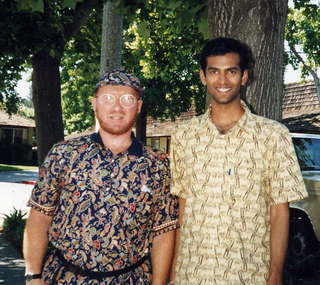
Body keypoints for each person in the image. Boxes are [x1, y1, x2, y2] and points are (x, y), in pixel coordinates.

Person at [170, 37, 308, 285]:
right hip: (191, 274)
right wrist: (173, 274)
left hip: (249, 274)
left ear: (244, 76)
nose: (222, 81)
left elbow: (279, 212)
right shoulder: (184, 135)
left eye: (231, 71)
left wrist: (275, 275)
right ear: (203, 76)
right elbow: (182, 206)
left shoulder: (272, 135)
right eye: (214, 72)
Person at [23, 69, 179, 285]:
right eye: (107, 98)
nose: (117, 107)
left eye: (127, 99)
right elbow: (39, 217)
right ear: (94, 103)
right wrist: (33, 275)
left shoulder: (157, 164)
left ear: (139, 106)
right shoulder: (64, 154)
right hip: (64, 278)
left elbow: (163, 231)